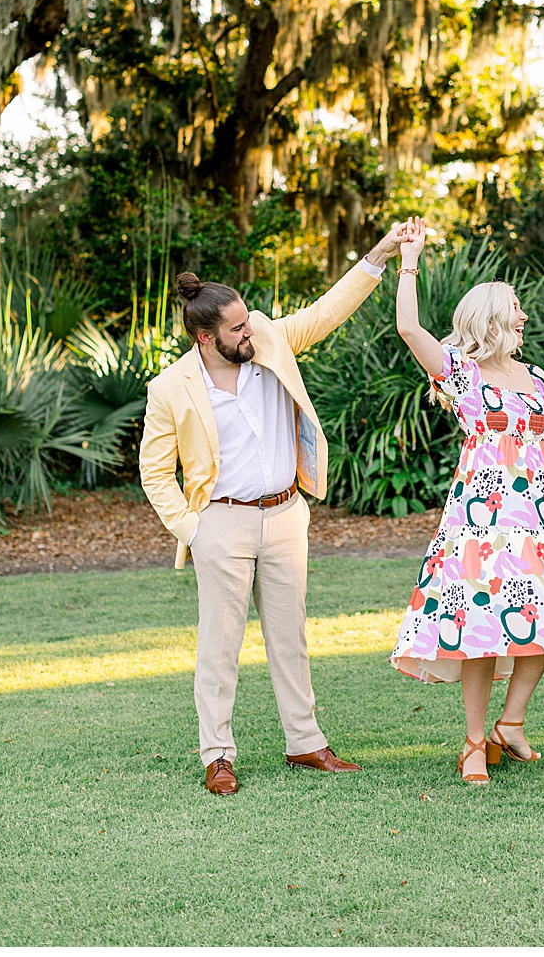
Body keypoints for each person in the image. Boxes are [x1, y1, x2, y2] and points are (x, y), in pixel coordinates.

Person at [139, 221, 414, 795]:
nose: (251, 332)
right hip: (221, 522)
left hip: (287, 515)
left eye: (249, 320)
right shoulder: (171, 389)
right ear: (205, 338)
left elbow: (325, 312)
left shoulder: (266, 339)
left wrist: (381, 255)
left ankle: (305, 744)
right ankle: (217, 755)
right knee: (220, 646)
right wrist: (195, 529)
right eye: (238, 328)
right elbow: (155, 472)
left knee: (290, 638)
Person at [386, 218, 544, 784]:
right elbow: (408, 327)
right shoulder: (460, 372)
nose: (524, 316)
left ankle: (512, 723)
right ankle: (474, 742)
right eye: (515, 308)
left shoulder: (536, 377)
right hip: (485, 512)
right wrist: (410, 258)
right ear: (491, 319)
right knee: (479, 622)